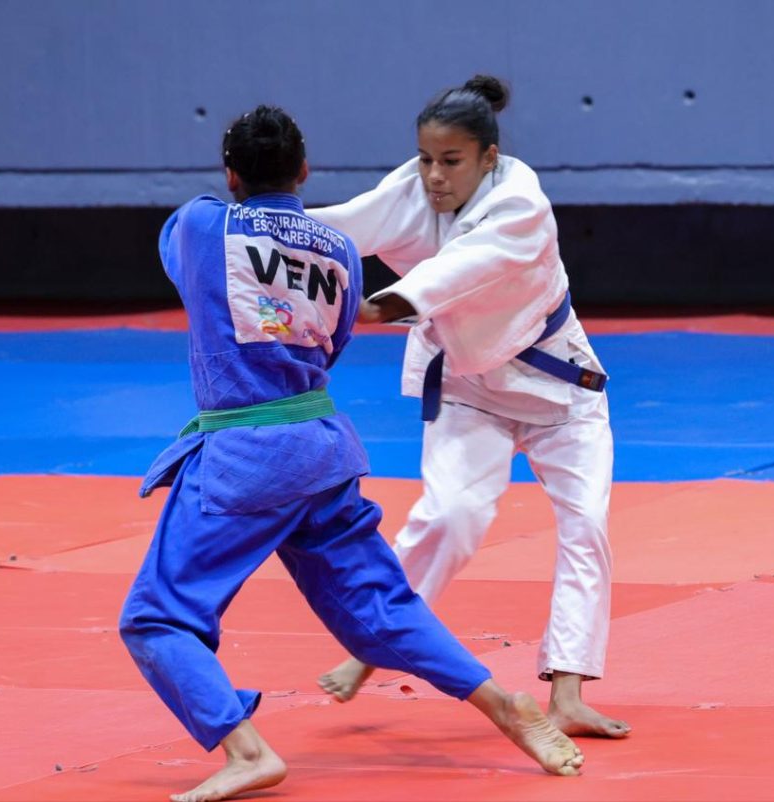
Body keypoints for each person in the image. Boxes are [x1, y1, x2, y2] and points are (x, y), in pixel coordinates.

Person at [118, 104, 584, 802]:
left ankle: (246, 750)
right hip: (321, 448)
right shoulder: (339, 252)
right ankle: (502, 704)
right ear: (305, 171)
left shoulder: (202, 225)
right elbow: (332, 343)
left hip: (245, 457)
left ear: (231, 174)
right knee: (377, 605)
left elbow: (184, 265)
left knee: (158, 617)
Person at [309, 76, 631, 739]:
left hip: (559, 388)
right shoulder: (412, 190)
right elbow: (341, 225)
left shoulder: (522, 205)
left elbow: (453, 272)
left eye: (451, 161)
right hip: (466, 386)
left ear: (488, 157)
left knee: (586, 526)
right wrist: (253, 232)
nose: (434, 175)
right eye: (426, 158)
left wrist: (370, 309)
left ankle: (568, 693)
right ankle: (371, 644)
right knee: (449, 517)